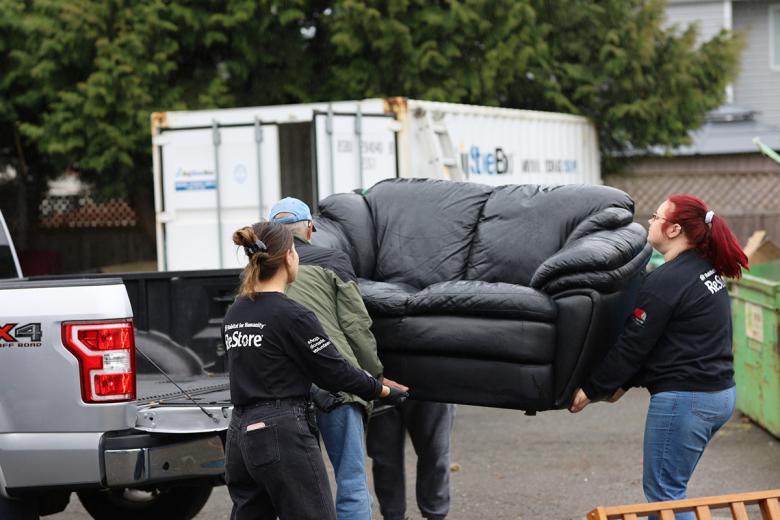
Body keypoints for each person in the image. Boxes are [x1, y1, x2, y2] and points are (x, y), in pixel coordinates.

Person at [570, 195, 748, 519]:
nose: (649, 221)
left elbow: (633, 344)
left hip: (688, 400)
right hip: (717, 395)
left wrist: (591, 390)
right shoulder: (704, 271)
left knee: (665, 498)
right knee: (671, 494)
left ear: (674, 229)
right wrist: (623, 386)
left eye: (655, 216)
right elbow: (666, 343)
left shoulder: (667, 281)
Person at [223, 221, 406, 520]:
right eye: (295, 251)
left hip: (240, 439)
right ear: (287, 258)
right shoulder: (292, 314)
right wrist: (382, 390)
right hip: (283, 435)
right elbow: (333, 372)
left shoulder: (236, 312)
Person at [367, 401, 455, 520]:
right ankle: (393, 516)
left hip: (435, 389)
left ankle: (435, 515)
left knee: (435, 453)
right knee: (385, 460)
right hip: (382, 389)